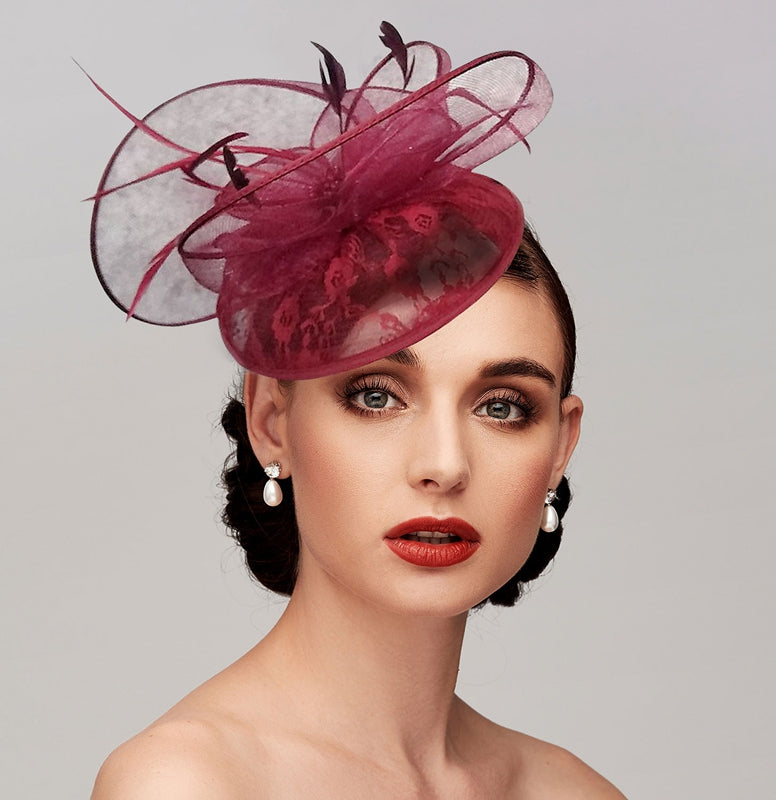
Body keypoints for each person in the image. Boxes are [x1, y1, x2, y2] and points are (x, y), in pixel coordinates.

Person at [89, 22, 626, 798]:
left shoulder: (571, 792)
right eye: (376, 396)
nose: (444, 465)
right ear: (272, 420)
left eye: (503, 407)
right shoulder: (188, 782)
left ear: (560, 445)